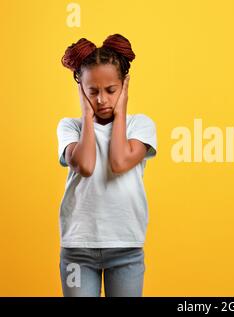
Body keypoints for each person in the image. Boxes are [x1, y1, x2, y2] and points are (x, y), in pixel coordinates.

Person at [57, 34, 157, 297]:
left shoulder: (140, 125)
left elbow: (119, 161)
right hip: (78, 249)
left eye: (111, 90)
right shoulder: (70, 127)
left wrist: (121, 110)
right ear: (81, 90)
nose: (101, 100)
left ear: (124, 86)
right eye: (93, 91)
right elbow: (86, 165)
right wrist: (86, 115)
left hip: (126, 249)